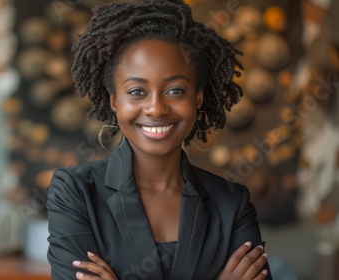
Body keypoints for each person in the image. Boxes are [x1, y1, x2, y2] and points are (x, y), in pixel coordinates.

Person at [46, 0, 272, 279]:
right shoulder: (75, 194)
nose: (156, 108)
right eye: (137, 92)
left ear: (197, 98)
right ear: (114, 100)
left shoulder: (231, 204)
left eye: (175, 90)